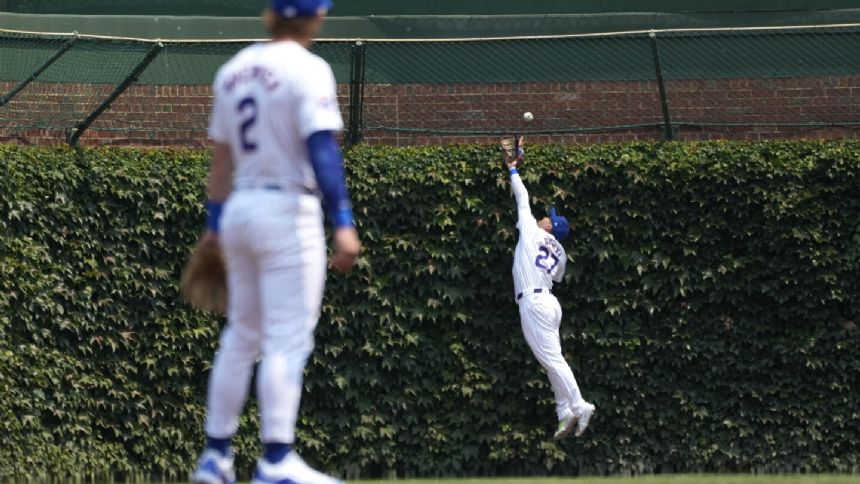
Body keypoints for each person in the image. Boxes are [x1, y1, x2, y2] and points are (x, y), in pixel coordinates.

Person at [190, 0, 360, 483]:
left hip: (242, 206)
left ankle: (216, 457)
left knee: (242, 335)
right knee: (287, 339)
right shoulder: (309, 69)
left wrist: (214, 225)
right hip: (288, 209)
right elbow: (322, 150)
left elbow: (220, 164)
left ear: (270, 14)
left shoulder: (234, 70)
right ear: (317, 17)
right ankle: (276, 460)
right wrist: (342, 220)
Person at [501, 136, 595, 441]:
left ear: (550, 227)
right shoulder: (562, 254)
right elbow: (555, 277)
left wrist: (513, 169)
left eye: (549, 219)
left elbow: (522, 198)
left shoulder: (531, 230)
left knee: (552, 359)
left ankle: (580, 405)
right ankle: (563, 411)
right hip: (550, 303)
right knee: (550, 358)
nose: (545, 217)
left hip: (534, 303)